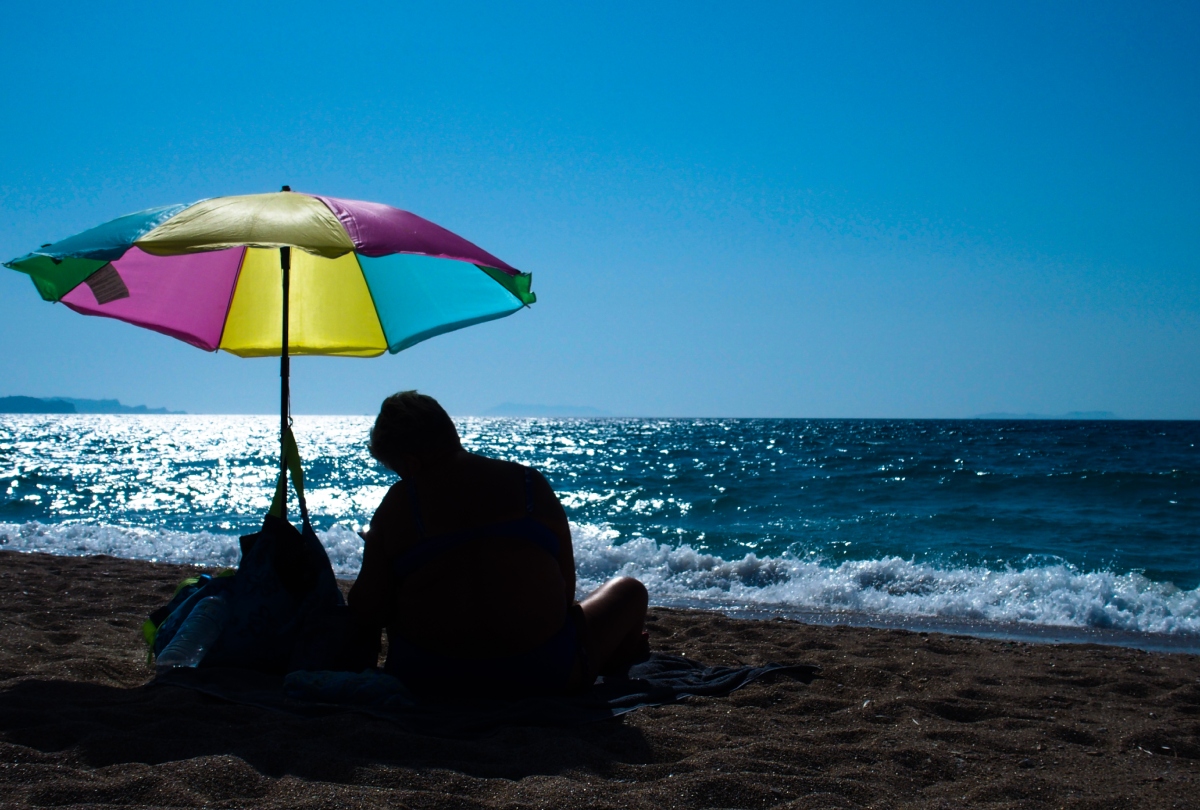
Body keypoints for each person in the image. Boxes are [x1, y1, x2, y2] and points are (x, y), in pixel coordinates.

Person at [349, 391, 649, 698]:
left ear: (410, 463)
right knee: (629, 589)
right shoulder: (530, 485)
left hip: (431, 680)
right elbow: (564, 595)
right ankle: (622, 655)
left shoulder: (399, 502)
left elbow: (368, 610)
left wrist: (377, 550)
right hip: (545, 675)